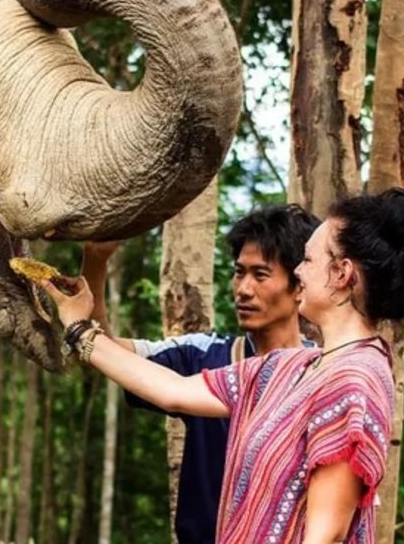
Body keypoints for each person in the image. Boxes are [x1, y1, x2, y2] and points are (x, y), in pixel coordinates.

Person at [43, 189, 404, 543]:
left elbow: (326, 535)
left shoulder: (355, 379)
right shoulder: (289, 368)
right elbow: (173, 390)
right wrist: (78, 327)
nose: (299, 271)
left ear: (342, 274)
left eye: (308, 259)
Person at [80, 205, 320, 544]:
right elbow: (106, 352)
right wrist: (95, 262)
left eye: (260, 275)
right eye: (239, 272)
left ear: (299, 286)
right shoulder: (205, 355)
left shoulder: (323, 373)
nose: (243, 289)